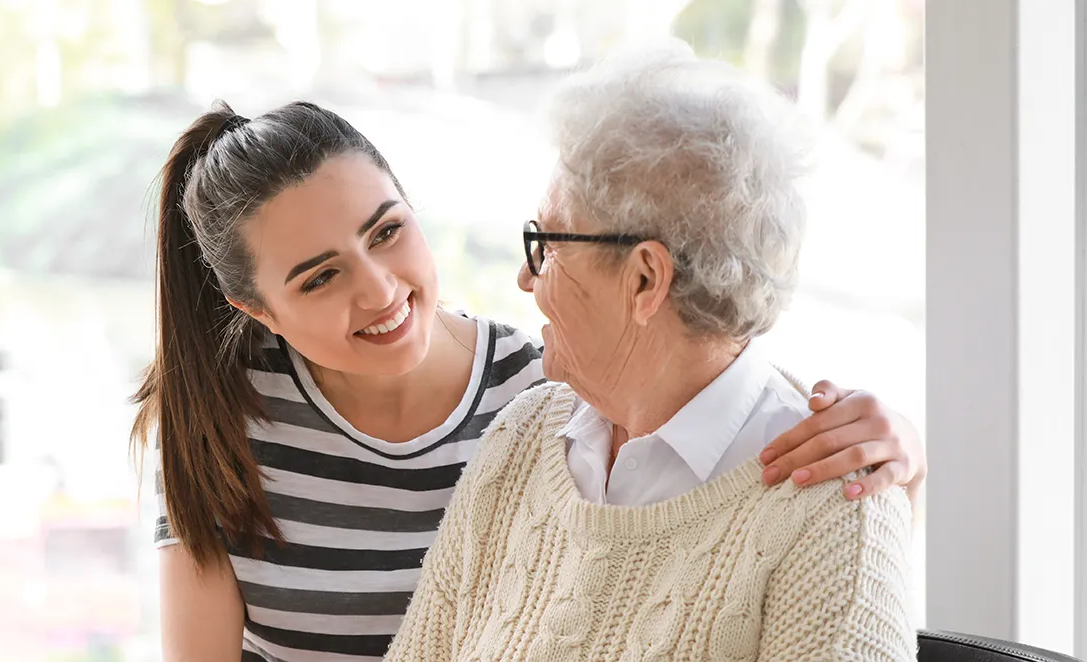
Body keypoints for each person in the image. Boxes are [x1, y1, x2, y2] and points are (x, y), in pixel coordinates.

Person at [135, 95, 923, 662]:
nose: (379, 291)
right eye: (318, 278)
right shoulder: (534, 430)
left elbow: (703, 364)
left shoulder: (531, 392)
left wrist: (889, 451)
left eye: (388, 231)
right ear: (255, 310)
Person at [385, 43, 915, 661]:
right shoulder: (524, 438)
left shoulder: (835, 513)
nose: (525, 281)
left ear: (644, 280)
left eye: (548, 245)